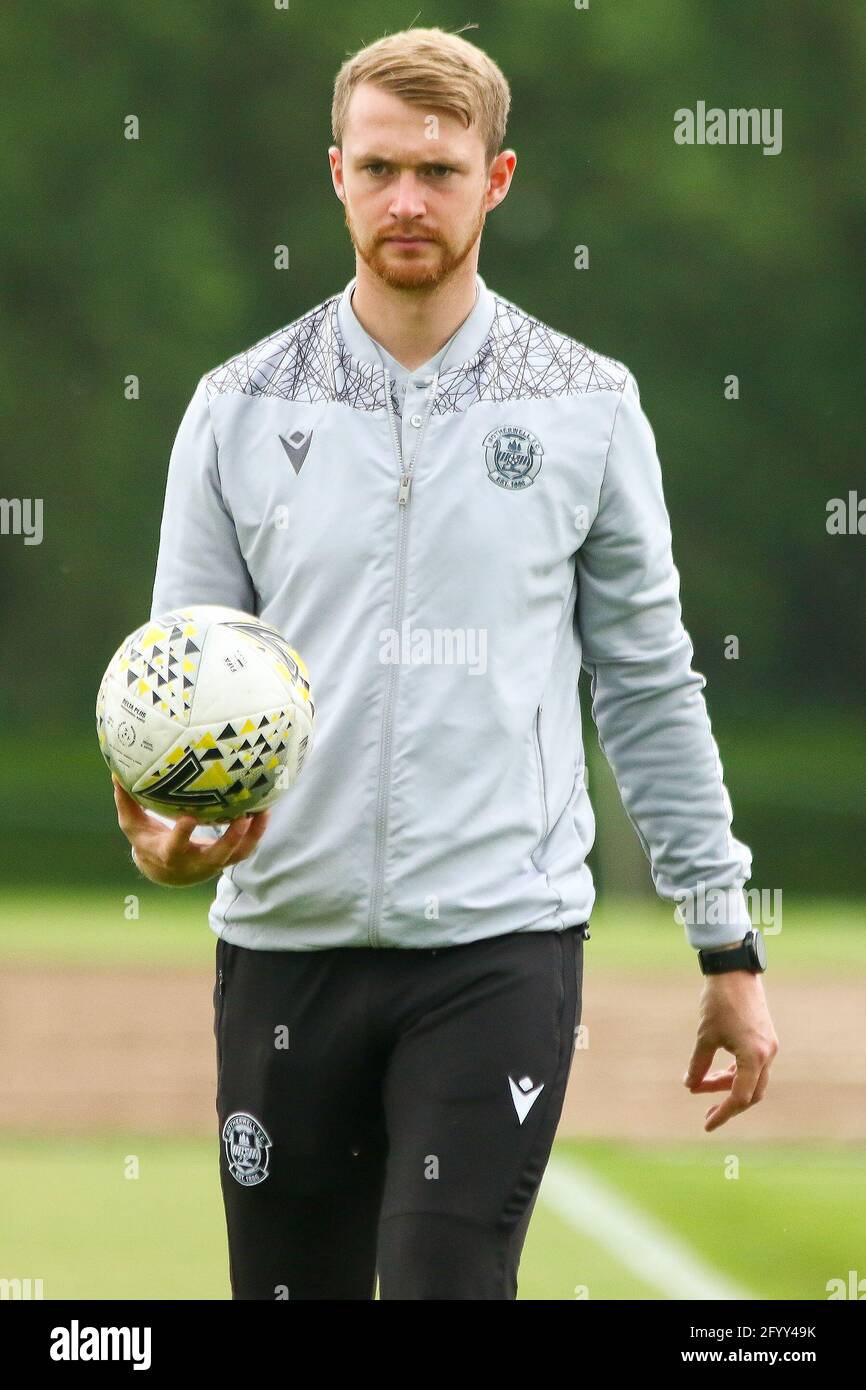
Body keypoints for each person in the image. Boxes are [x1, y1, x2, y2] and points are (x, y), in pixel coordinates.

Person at [112, 24, 779, 1301]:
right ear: (335, 176)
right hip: (282, 946)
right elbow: (175, 687)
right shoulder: (237, 405)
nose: (406, 198)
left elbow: (646, 684)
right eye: (377, 169)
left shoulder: (585, 405)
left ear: (498, 179)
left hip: (498, 945)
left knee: (442, 1286)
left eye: (437, 169)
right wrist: (155, 833)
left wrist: (723, 945)